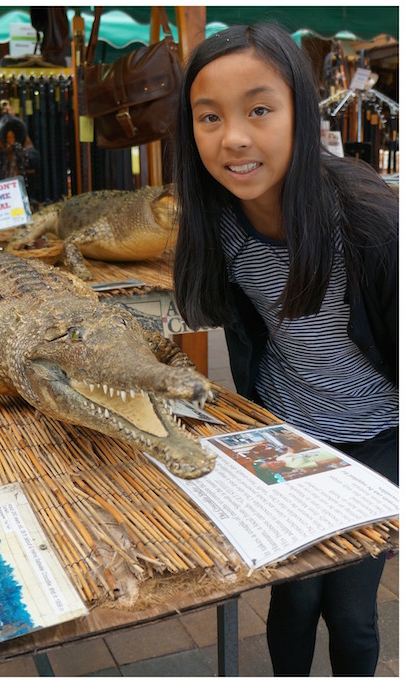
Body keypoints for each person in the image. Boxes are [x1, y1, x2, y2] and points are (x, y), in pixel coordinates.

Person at [172, 24, 397, 676]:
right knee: (293, 598)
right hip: (286, 428)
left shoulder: (369, 223)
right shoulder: (214, 218)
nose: (233, 136)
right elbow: (215, 327)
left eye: (259, 109)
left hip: (377, 435)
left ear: (301, 110)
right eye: (208, 116)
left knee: (352, 609)